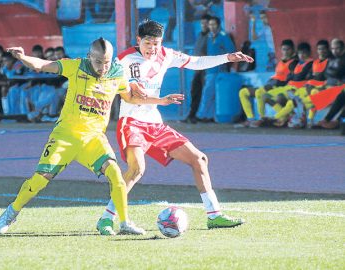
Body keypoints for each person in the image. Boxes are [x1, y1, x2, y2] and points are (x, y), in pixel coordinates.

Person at [0, 38, 183, 235]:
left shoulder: (118, 74)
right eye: (98, 62)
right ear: (89, 57)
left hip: (93, 139)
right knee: (40, 179)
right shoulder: (76, 66)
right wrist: (23, 57)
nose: (103, 67)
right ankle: (11, 212)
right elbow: (42, 65)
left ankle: (125, 222)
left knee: (116, 174)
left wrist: (160, 101)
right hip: (65, 137)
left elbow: (131, 97)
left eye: (107, 62)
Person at [95, 20, 254, 235]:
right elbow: (130, 98)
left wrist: (227, 57)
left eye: (157, 43)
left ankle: (214, 216)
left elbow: (195, 62)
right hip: (132, 123)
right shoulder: (124, 60)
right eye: (148, 43)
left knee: (199, 159)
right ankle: (106, 218)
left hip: (156, 124)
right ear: (139, 41)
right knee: (136, 170)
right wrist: (160, 100)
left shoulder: (166, 55)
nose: (153, 48)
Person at [236, 39, 298, 127]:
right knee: (243, 92)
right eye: (284, 49)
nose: (285, 52)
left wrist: (272, 86)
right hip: (269, 86)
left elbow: (289, 80)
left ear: (293, 50)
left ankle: (262, 119)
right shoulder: (281, 62)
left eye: (288, 49)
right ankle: (250, 119)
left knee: (260, 93)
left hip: (277, 88)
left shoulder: (293, 63)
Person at [196, 16, 236, 122]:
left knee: (209, 93)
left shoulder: (223, 36)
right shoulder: (209, 36)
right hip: (210, 70)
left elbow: (231, 50)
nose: (211, 27)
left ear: (218, 25)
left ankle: (202, 115)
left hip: (219, 70)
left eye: (213, 24)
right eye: (210, 24)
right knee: (211, 93)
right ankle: (209, 116)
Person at [185, 14, 211, 124]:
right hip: (198, 69)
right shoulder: (200, 35)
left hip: (206, 70)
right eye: (202, 23)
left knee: (205, 93)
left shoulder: (211, 36)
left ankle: (202, 115)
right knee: (195, 91)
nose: (203, 25)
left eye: (206, 23)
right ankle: (192, 114)